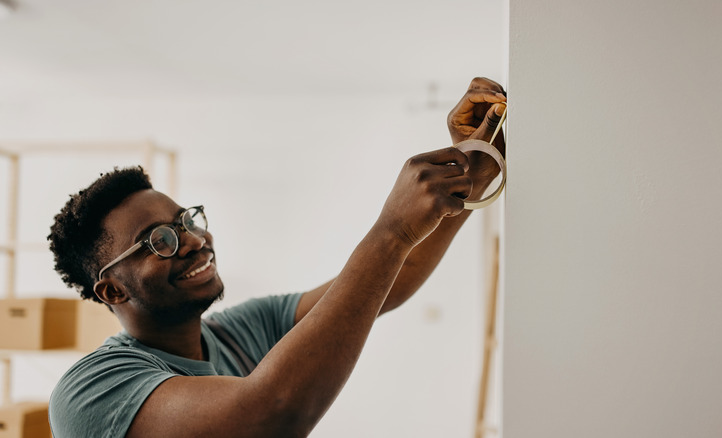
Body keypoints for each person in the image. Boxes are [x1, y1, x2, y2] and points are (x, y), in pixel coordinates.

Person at [47, 77, 507, 437]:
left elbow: (393, 278)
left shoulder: (242, 329)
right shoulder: (91, 390)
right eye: (158, 241)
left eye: (187, 220)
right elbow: (270, 417)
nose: (192, 240)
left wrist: (471, 170)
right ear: (112, 289)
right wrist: (391, 229)